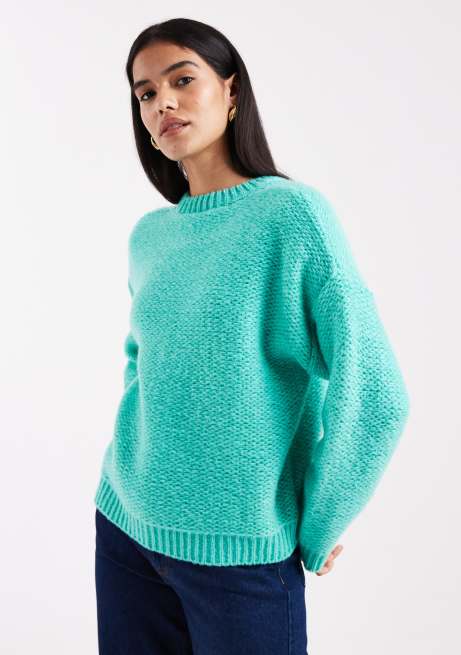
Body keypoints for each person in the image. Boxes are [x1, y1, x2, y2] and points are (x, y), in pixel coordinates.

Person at [93, 17, 410, 655]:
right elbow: (141, 366)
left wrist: (319, 522)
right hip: (124, 530)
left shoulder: (291, 217)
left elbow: (375, 394)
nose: (163, 103)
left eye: (182, 80)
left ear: (231, 90)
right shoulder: (151, 236)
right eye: (146, 93)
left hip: (242, 557)